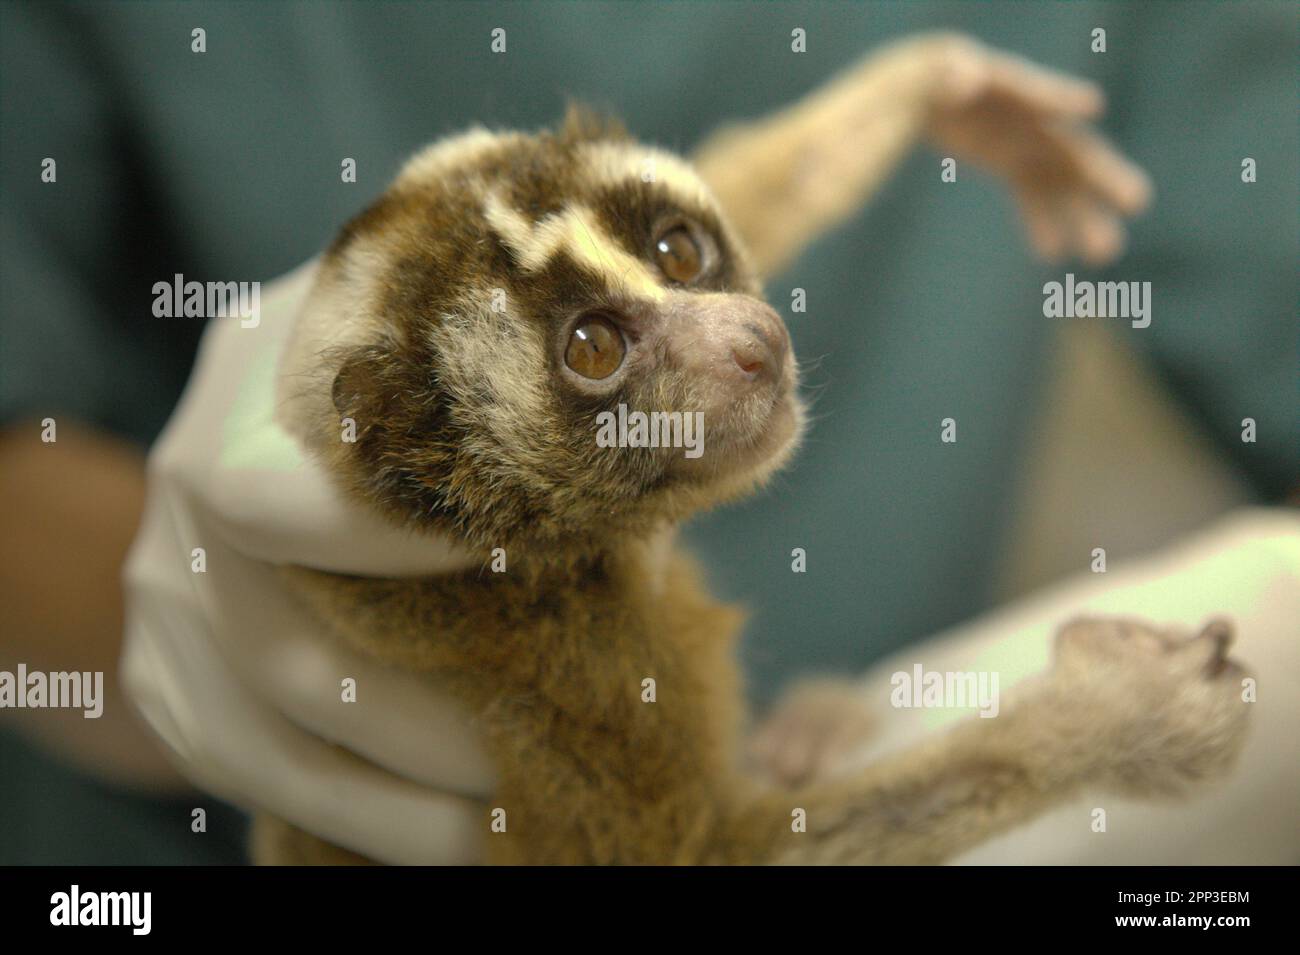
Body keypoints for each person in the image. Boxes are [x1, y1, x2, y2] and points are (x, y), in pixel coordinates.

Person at [2, 1, 1294, 864]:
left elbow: (748, 190)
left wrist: (912, 87)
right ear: (448, 465)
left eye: (681, 254)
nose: (741, 333)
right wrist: (1067, 739)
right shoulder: (535, 646)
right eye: (592, 349)